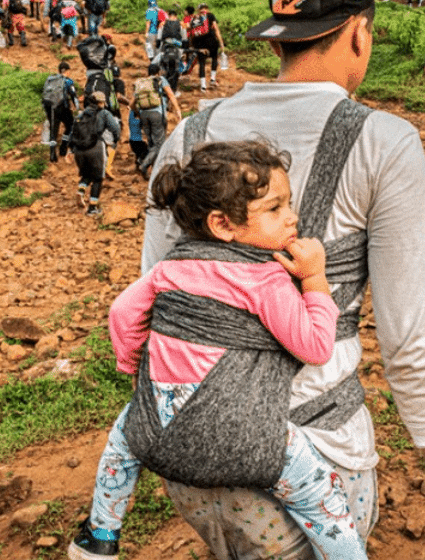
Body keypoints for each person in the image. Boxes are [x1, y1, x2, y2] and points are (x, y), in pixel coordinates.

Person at [126, 0, 425, 559]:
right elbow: (411, 331)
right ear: (360, 35)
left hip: (190, 450)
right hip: (310, 453)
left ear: (279, 35)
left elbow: (159, 289)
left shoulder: (193, 133)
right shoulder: (383, 143)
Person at [69, 141, 370, 560]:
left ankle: (101, 534)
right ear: (223, 225)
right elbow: (316, 346)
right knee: (321, 498)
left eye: (288, 204)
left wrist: (135, 368)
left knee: (122, 443)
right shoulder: (264, 280)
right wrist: (315, 278)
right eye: (274, 208)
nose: (292, 217)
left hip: (159, 425)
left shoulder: (170, 267)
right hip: (245, 434)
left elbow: (122, 314)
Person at [62, 92, 121, 217]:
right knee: (98, 178)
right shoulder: (104, 113)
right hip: (95, 147)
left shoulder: (81, 114)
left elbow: (72, 134)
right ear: (101, 102)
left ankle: (81, 190)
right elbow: (115, 128)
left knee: (86, 174)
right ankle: (92, 209)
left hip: (79, 150)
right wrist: (115, 140)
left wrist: (71, 150)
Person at [132, 63, 181, 168]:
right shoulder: (160, 80)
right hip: (157, 114)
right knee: (159, 144)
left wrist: (138, 114)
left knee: (151, 143)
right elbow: (170, 94)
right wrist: (177, 110)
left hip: (144, 114)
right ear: (158, 72)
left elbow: (132, 104)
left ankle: (153, 167)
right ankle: (143, 164)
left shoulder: (141, 83)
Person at [42, 62, 80, 163]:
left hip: (50, 108)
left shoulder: (50, 80)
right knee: (70, 125)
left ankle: (52, 155)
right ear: (67, 71)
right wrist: (78, 108)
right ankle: (63, 148)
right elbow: (74, 96)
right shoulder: (67, 81)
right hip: (62, 108)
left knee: (54, 130)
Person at [189, 3, 225, 92]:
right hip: (211, 41)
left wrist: (191, 45)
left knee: (202, 63)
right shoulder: (210, 15)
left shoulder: (195, 18)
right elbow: (216, 29)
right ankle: (212, 79)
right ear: (207, 8)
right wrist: (221, 43)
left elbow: (191, 33)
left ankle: (203, 86)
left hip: (199, 43)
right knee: (214, 58)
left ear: (198, 10)